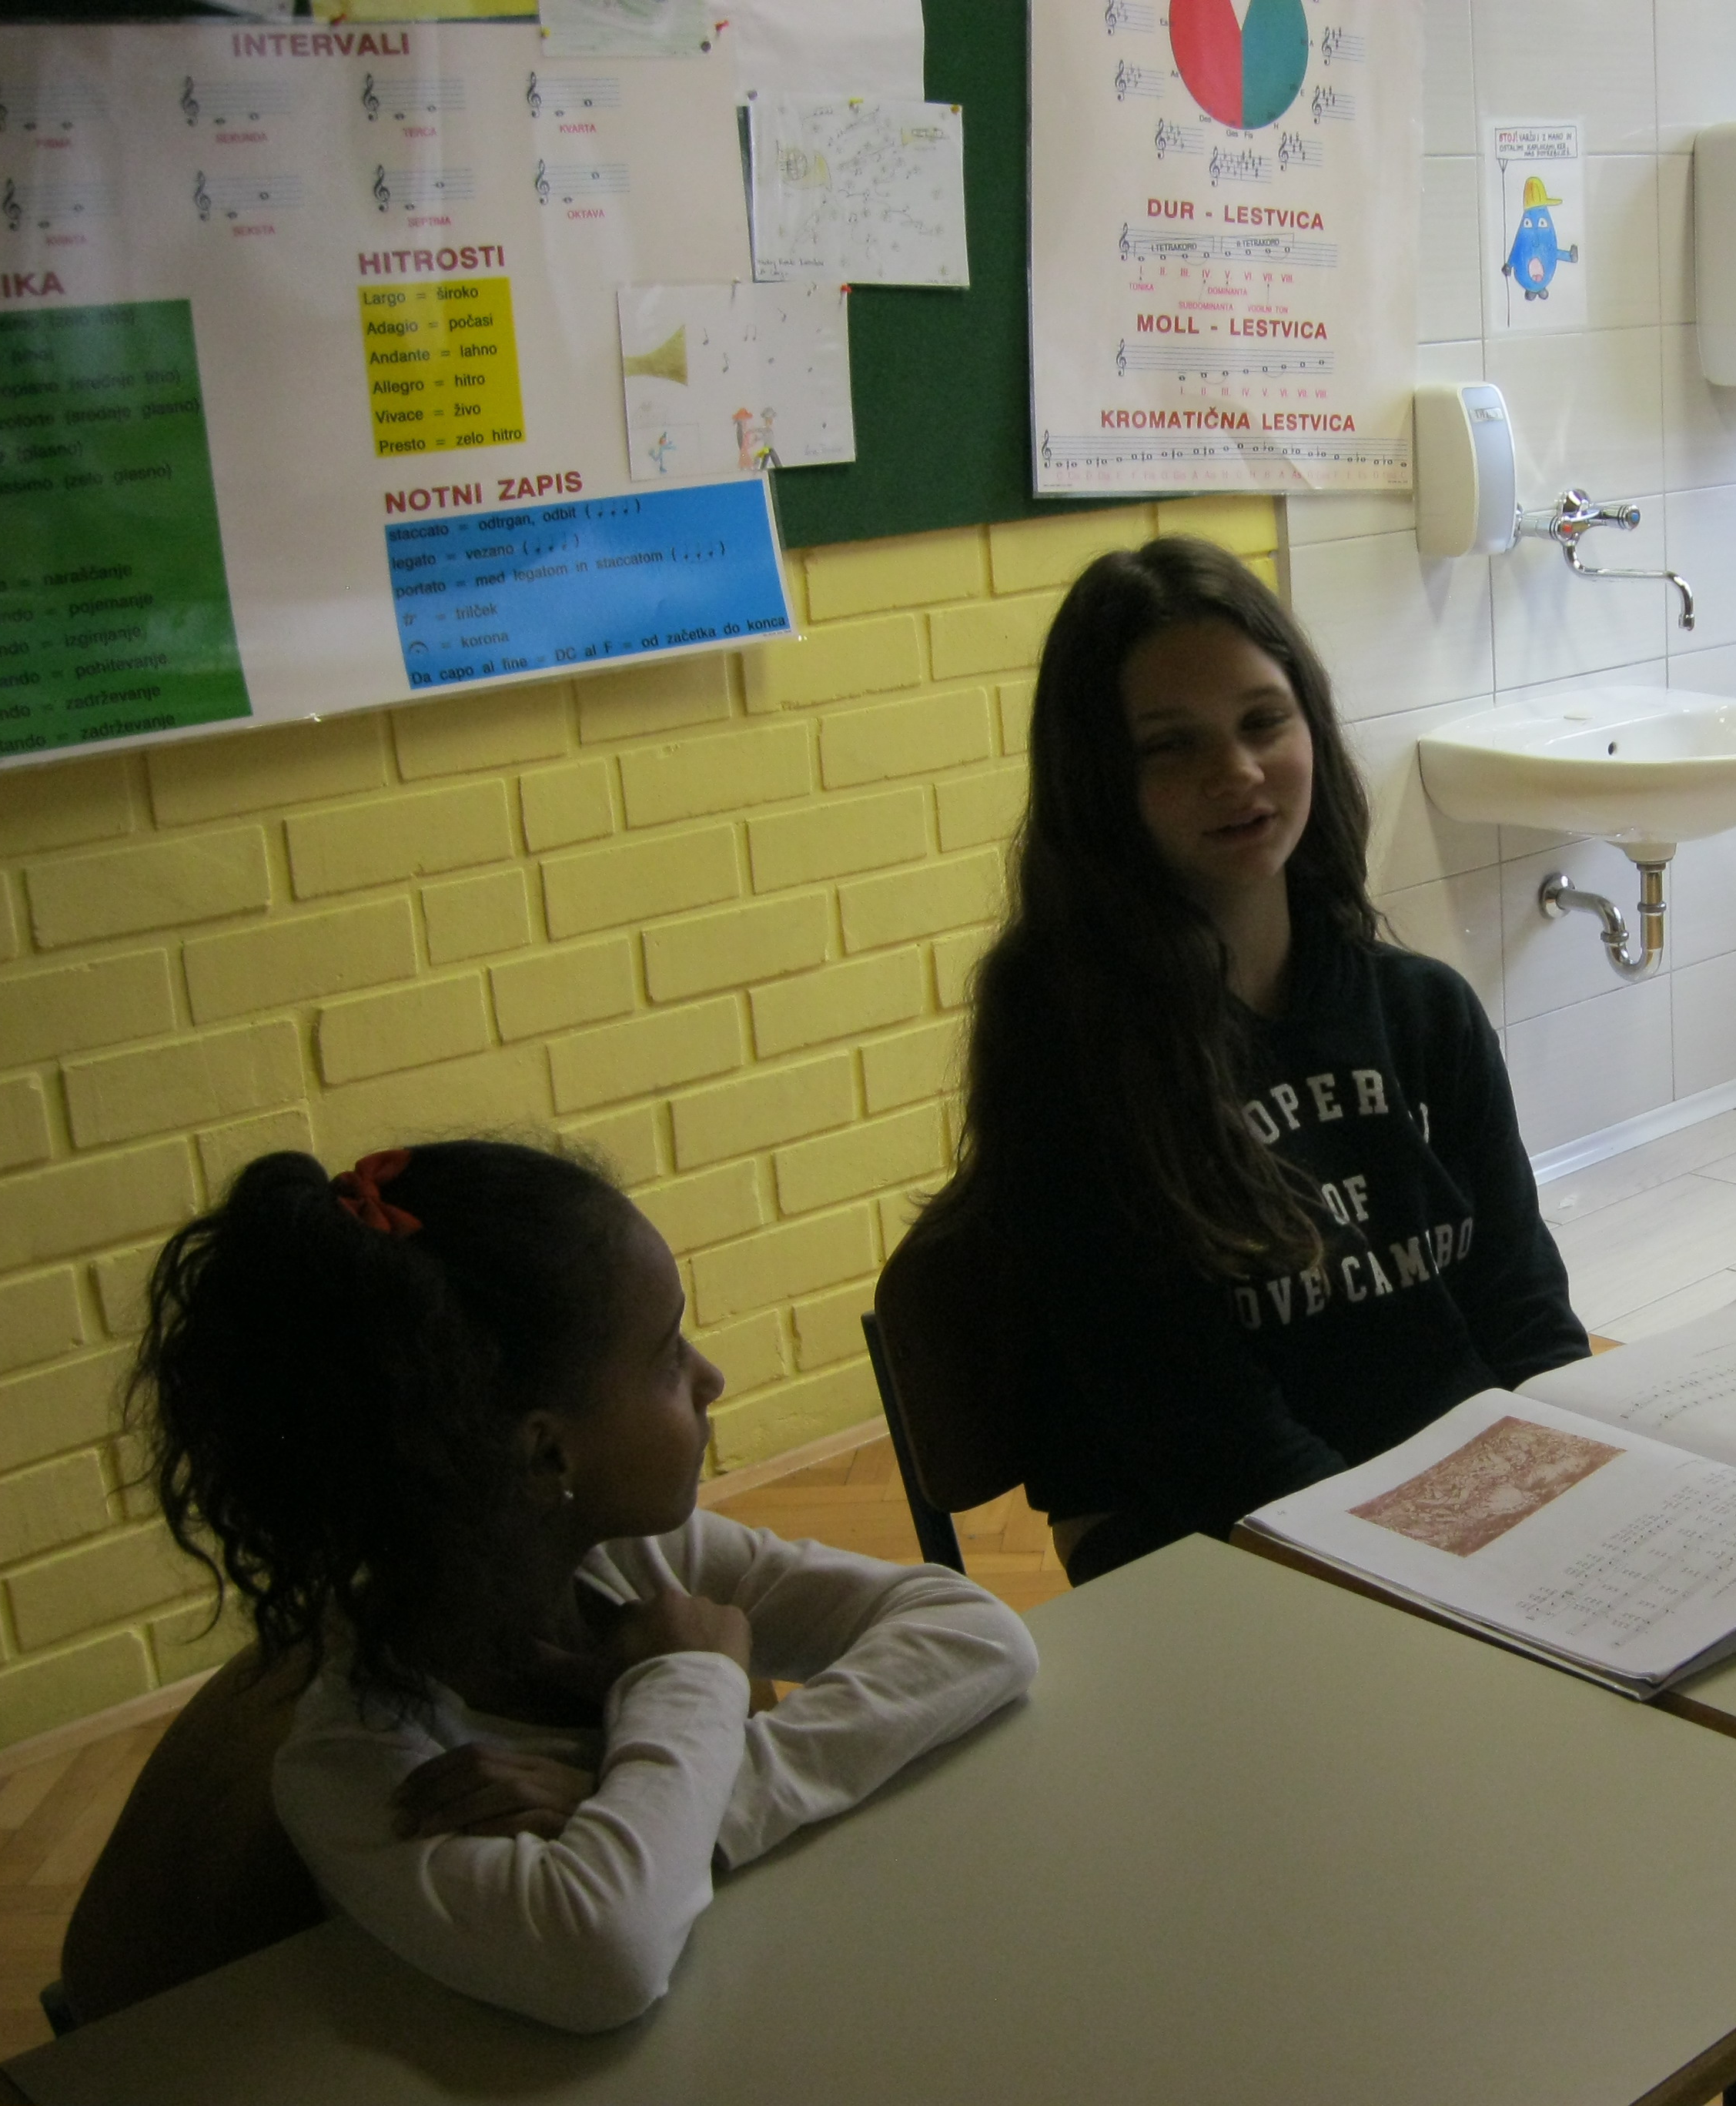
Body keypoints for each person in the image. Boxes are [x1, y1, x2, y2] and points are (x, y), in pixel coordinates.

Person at [128, 1140, 1037, 2033]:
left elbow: (976, 1633)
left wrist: (635, 1802)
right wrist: (690, 1680)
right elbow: (607, 1953)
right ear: (547, 1455)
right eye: (667, 1357)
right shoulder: (365, 1767)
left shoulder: (637, 1557)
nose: (710, 1378)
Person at [891, 537, 1586, 1585]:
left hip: (1455, 1518)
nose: (1238, 774)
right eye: (1170, 746)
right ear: (1100, 781)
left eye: (1264, 722)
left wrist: (1581, 1496)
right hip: (1221, 1560)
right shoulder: (1073, 1060)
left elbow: (1528, 1321)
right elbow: (1215, 1446)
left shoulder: (1423, 1011)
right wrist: (1452, 1579)